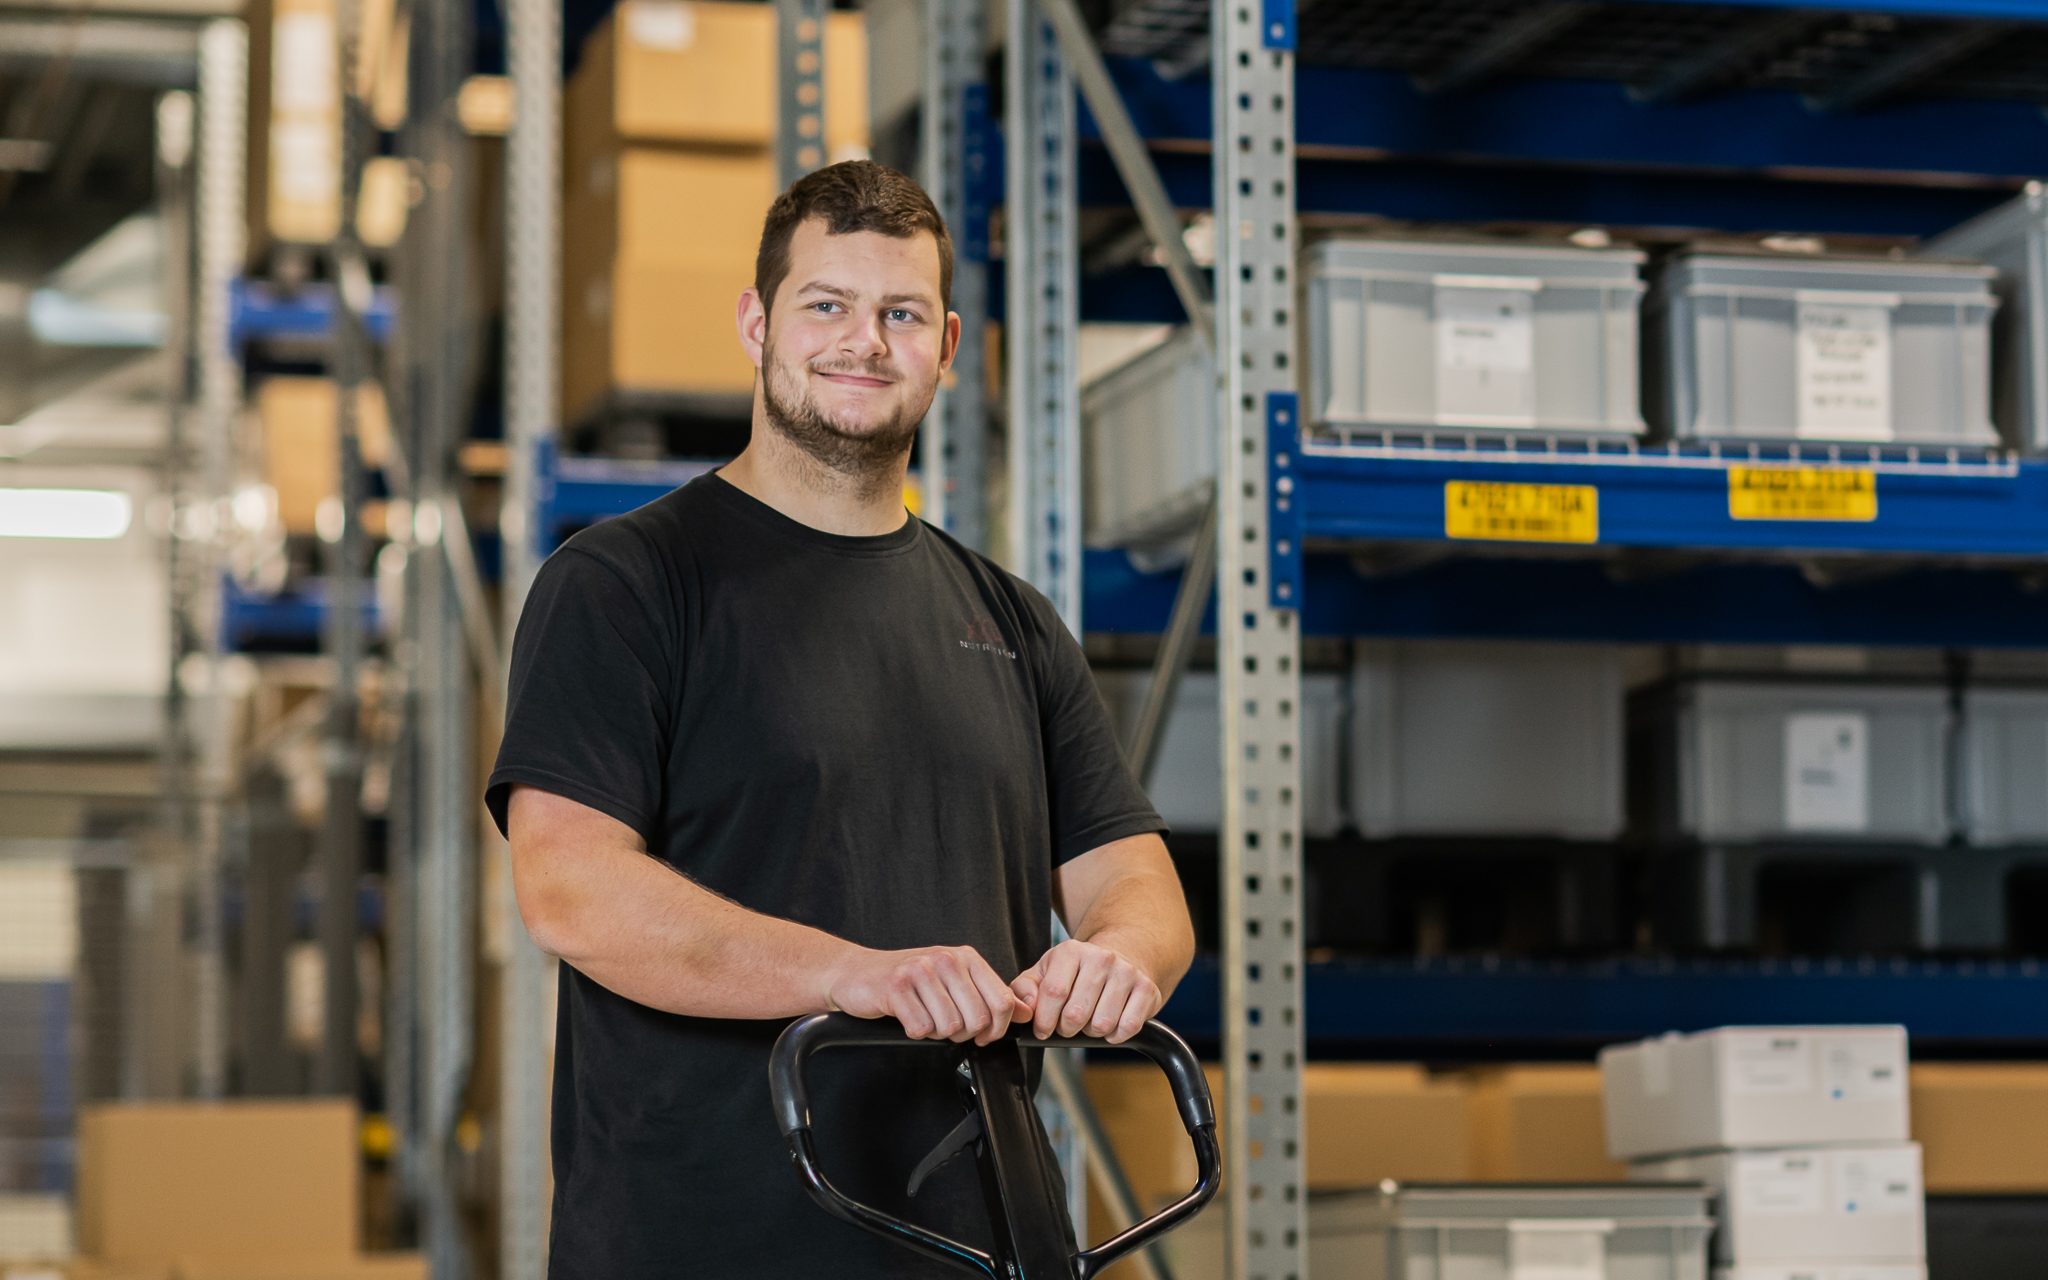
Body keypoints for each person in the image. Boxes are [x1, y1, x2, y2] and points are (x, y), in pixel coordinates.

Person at [487, 159, 1196, 1279]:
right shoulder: (628, 582)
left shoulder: (1010, 620)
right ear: (755, 321)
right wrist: (850, 972)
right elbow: (568, 889)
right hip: (702, 1247)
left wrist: (1118, 958)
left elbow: (1134, 880)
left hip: (976, 1244)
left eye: (900, 314)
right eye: (825, 304)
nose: (862, 340)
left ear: (948, 347)